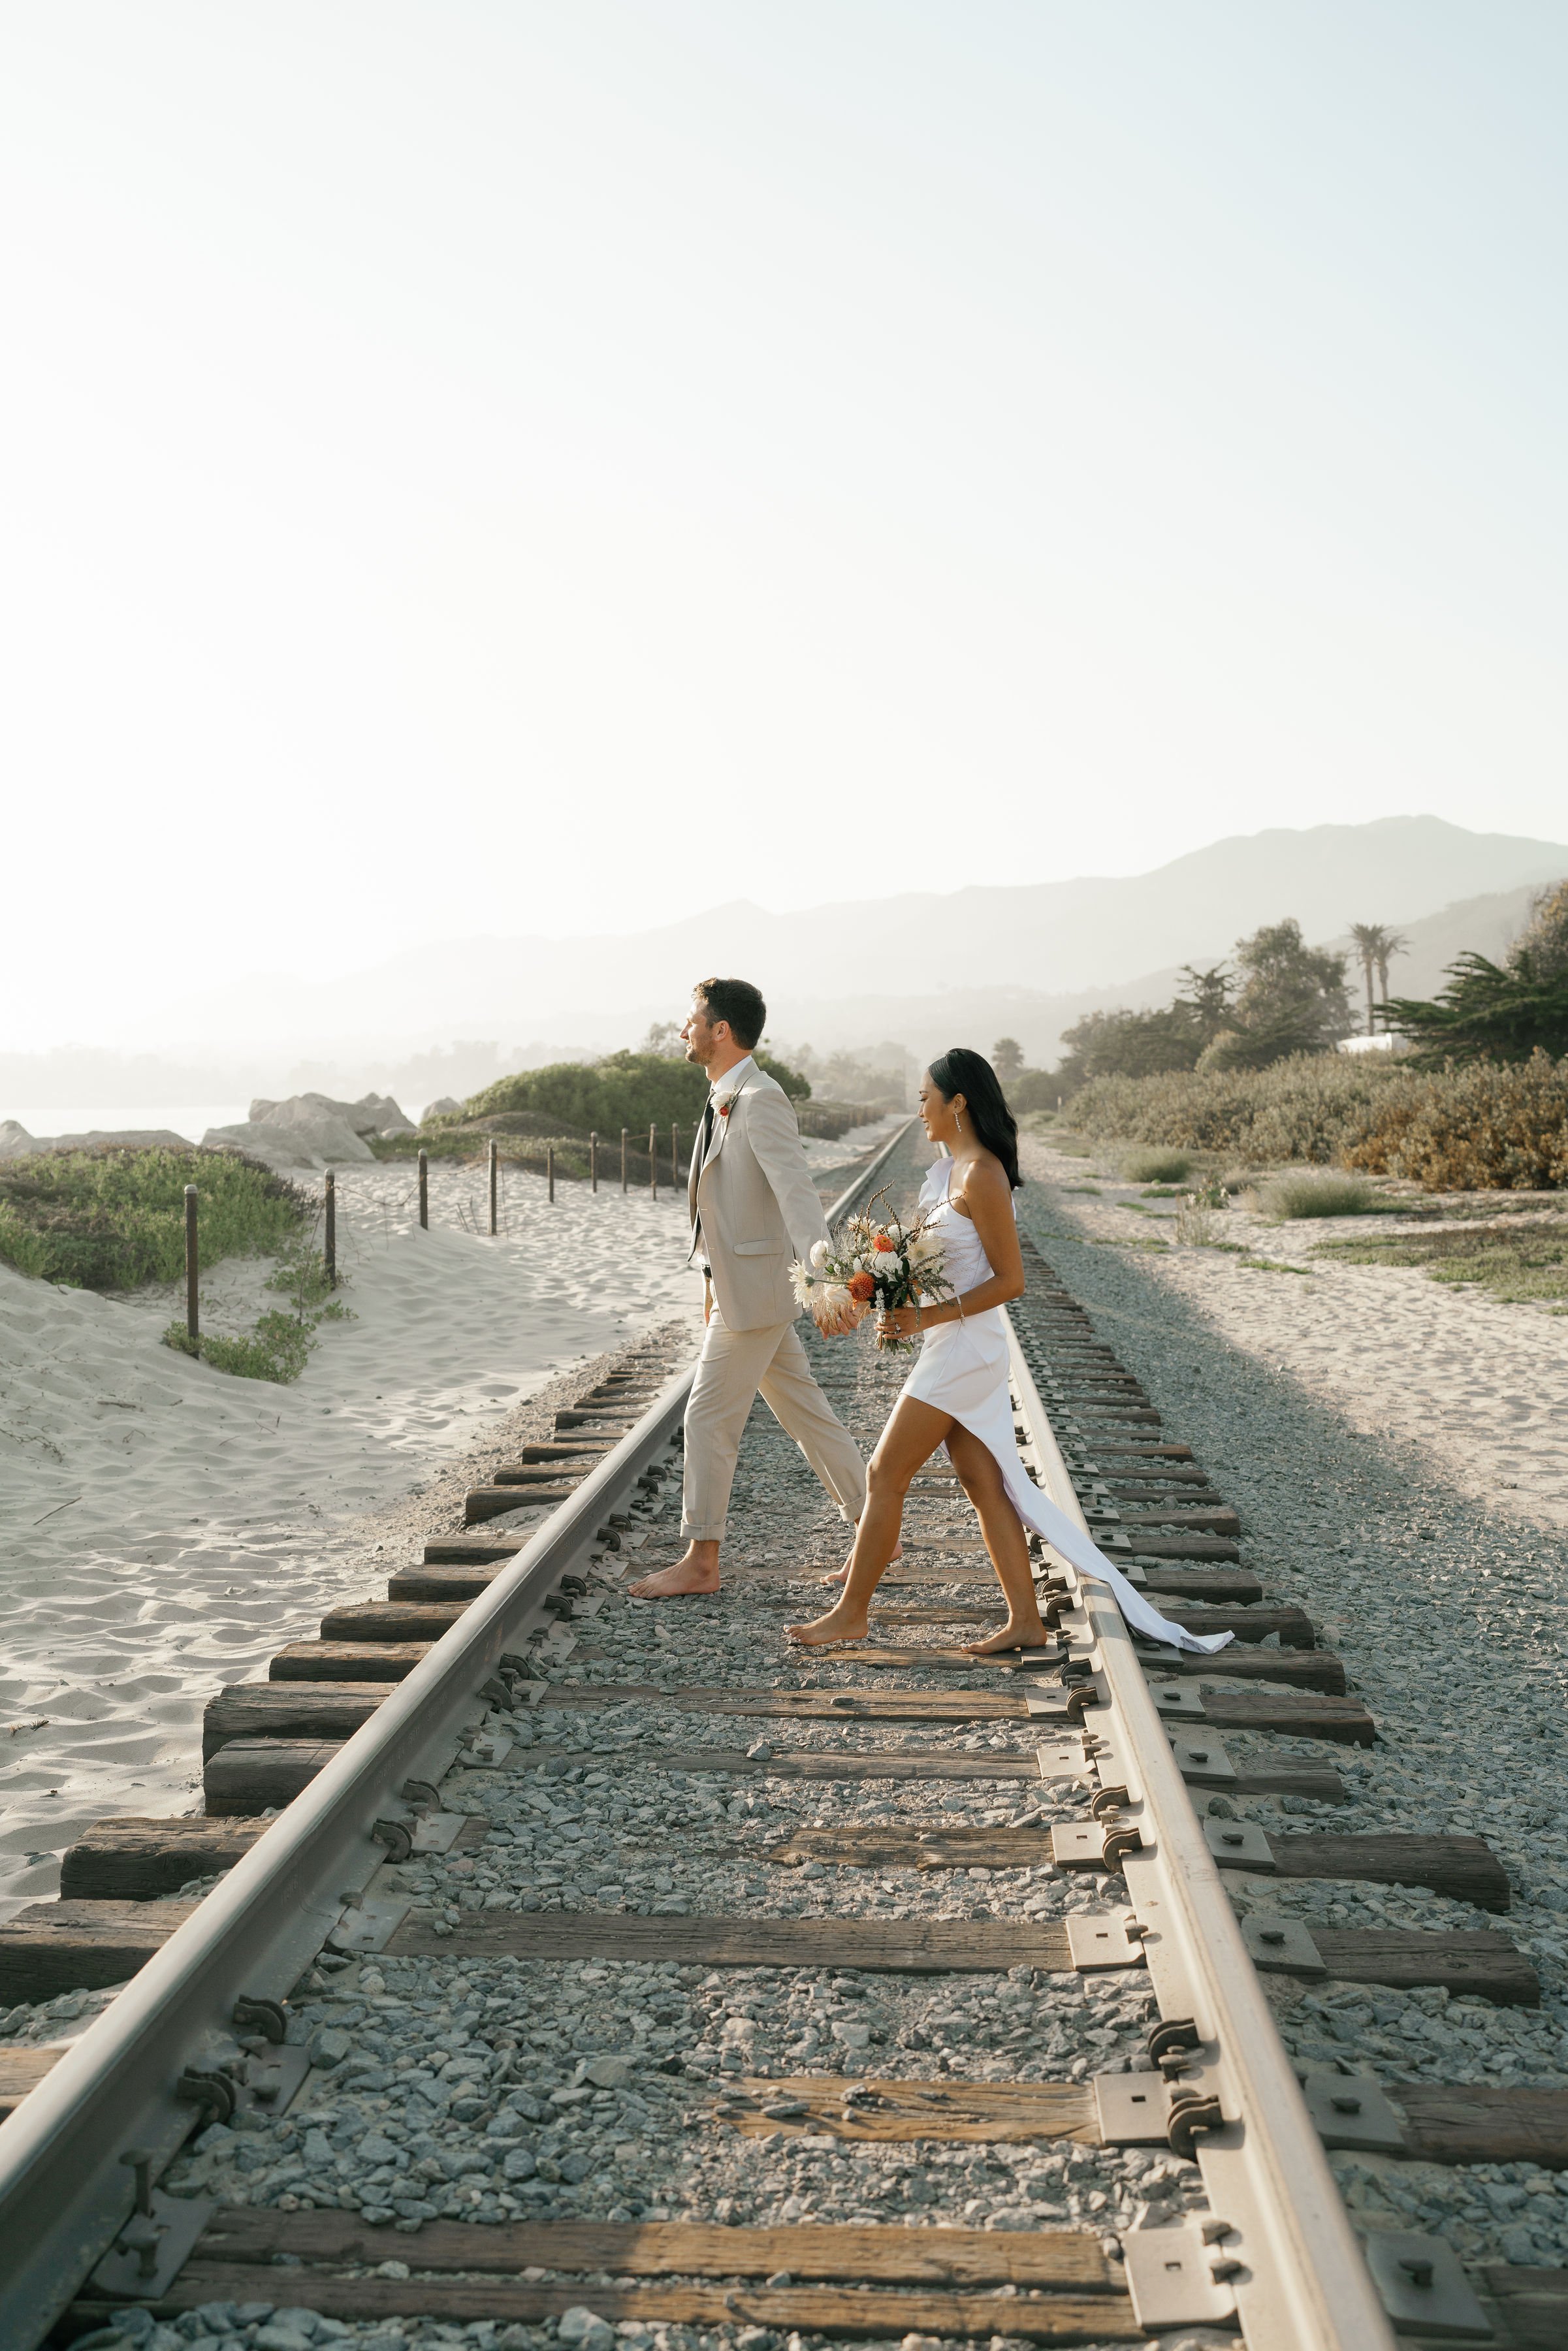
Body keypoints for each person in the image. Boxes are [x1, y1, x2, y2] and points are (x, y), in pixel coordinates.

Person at [787, 1048, 1234, 1658]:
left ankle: (851, 1614)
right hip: (954, 1341)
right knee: (983, 1483)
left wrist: (926, 1316)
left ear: (958, 1102)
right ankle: (1026, 1621)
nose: (918, 1108)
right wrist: (868, 1296)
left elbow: (1009, 1280)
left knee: (884, 1474)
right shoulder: (949, 1173)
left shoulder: (983, 1174)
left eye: (925, 1097)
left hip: (966, 1346)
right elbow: (935, 1267)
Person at [628, 977, 867, 1600]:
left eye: (692, 1021)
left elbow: (798, 1197)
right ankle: (876, 1529)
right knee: (805, 1415)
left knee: (706, 1417)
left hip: (758, 1295)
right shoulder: (723, 1096)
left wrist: (826, 1283)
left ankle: (701, 1561)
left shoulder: (758, 1100)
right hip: (739, 1289)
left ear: (720, 1031)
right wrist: (713, 1278)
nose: (684, 1031)